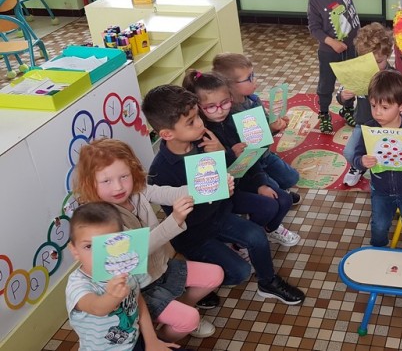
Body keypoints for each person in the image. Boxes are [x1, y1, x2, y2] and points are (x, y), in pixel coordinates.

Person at [142, 84, 305, 305]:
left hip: (220, 212)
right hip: (195, 231)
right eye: (191, 122)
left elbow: (234, 172)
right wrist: (216, 192)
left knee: (257, 236)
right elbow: (185, 218)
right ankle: (196, 280)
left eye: (197, 116)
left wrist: (222, 153)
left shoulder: (204, 140)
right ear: (167, 134)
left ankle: (268, 282)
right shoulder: (161, 171)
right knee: (240, 272)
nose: (200, 123)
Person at [72, 139, 224, 341]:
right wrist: (175, 220)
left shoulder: (138, 190)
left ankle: (180, 313)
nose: (118, 187)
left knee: (215, 274)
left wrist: (213, 184)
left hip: (161, 267)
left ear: (132, 171)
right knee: (188, 320)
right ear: (91, 183)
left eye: (124, 176)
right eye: (106, 181)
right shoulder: (99, 218)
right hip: (138, 286)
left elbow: (171, 193)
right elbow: (136, 251)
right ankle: (159, 340)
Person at [182, 70, 300, 248]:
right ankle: (241, 242)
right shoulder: (200, 135)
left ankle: (270, 229)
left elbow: (252, 156)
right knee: (269, 206)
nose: (220, 110)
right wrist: (228, 154)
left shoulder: (236, 119)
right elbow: (210, 182)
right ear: (198, 107)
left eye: (225, 102)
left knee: (284, 200)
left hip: (246, 176)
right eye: (211, 106)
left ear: (231, 97)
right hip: (225, 192)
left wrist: (260, 183)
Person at [66, 202, 182, 351]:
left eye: (109, 244)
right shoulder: (78, 284)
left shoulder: (126, 270)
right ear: (74, 250)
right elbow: (96, 308)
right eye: (89, 246)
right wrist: (111, 297)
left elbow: (138, 301)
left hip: (135, 341)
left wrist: (151, 340)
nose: (100, 254)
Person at [348, 70, 402, 249]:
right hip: (380, 190)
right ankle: (379, 250)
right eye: (373, 106)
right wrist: (361, 161)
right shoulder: (369, 130)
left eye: (385, 108)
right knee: (379, 226)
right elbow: (356, 156)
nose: (377, 113)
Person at [212, 52, 302, 206]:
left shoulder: (253, 100)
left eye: (253, 75)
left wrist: (275, 126)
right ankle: (261, 185)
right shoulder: (226, 115)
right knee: (276, 193)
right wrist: (269, 129)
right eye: (249, 78)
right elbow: (246, 147)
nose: (255, 80)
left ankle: (269, 179)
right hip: (249, 164)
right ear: (229, 85)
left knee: (292, 178)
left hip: (265, 155)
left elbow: (264, 129)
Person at [301, 0, 360, 134]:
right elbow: (314, 28)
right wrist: (331, 42)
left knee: (352, 80)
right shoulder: (315, 1)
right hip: (329, 52)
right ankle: (324, 113)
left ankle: (347, 109)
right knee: (326, 84)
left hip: (352, 46)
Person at [338, 23, 395, 187]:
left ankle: (385, 173)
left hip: (387, 126)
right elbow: (342, 98)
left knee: (386, 155)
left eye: (379, 61)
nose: (375, 67)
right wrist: (344, 96)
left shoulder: (393, 76)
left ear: (388, 55)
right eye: (369, 62)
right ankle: (358, 167)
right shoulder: (358, 73)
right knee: (350, 152)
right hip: (363, 124)